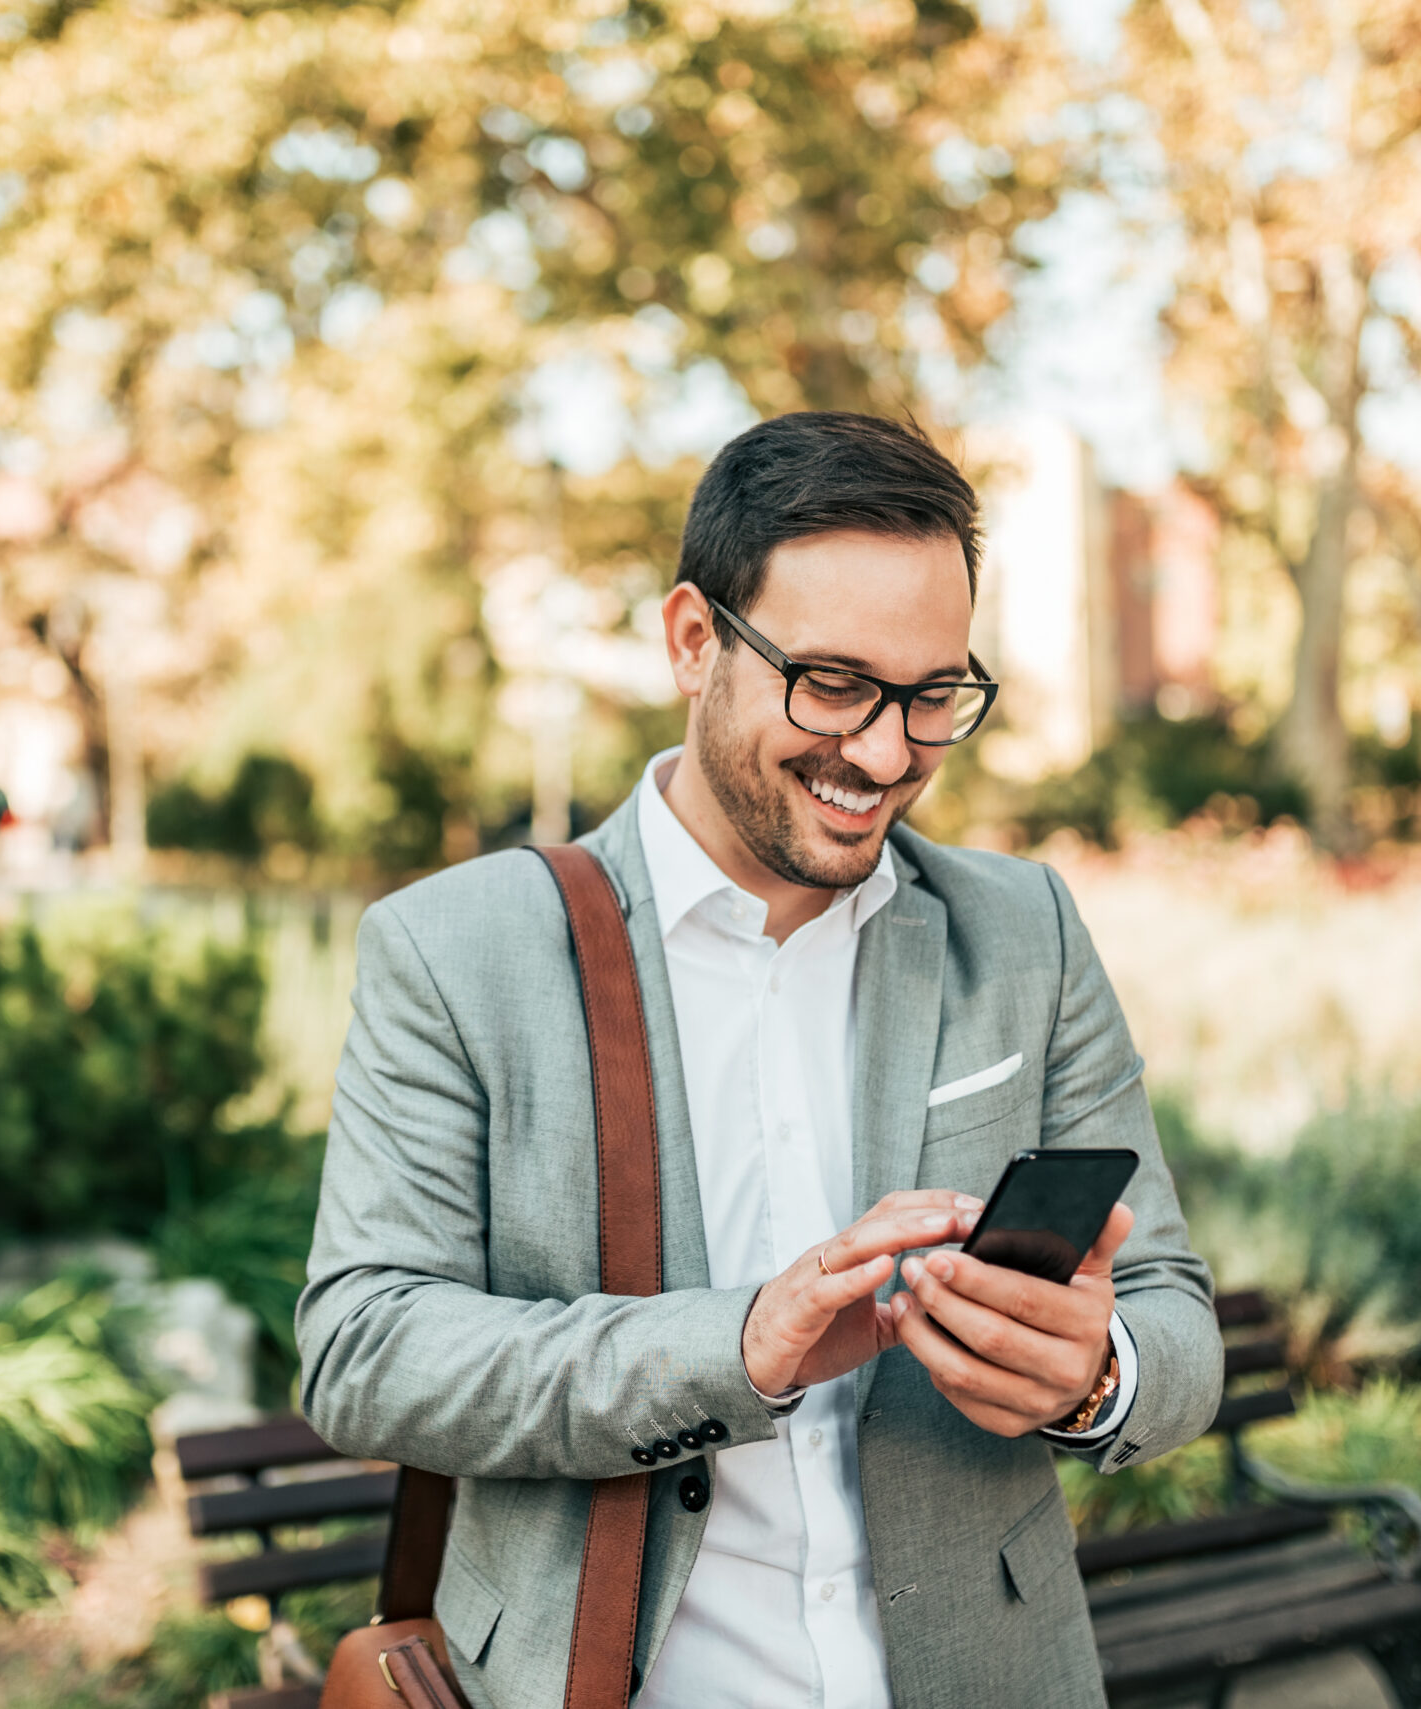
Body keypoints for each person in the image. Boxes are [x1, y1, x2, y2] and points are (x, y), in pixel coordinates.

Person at [297, 411, 1220, 1708]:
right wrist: (741, 1343)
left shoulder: (1027, 932)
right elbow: (365, 1347)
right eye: (833, 683)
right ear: (692, 639)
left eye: (934, 694)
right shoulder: (457, 949)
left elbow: (1176, 1311)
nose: (888, 752)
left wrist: (1096, 1372)